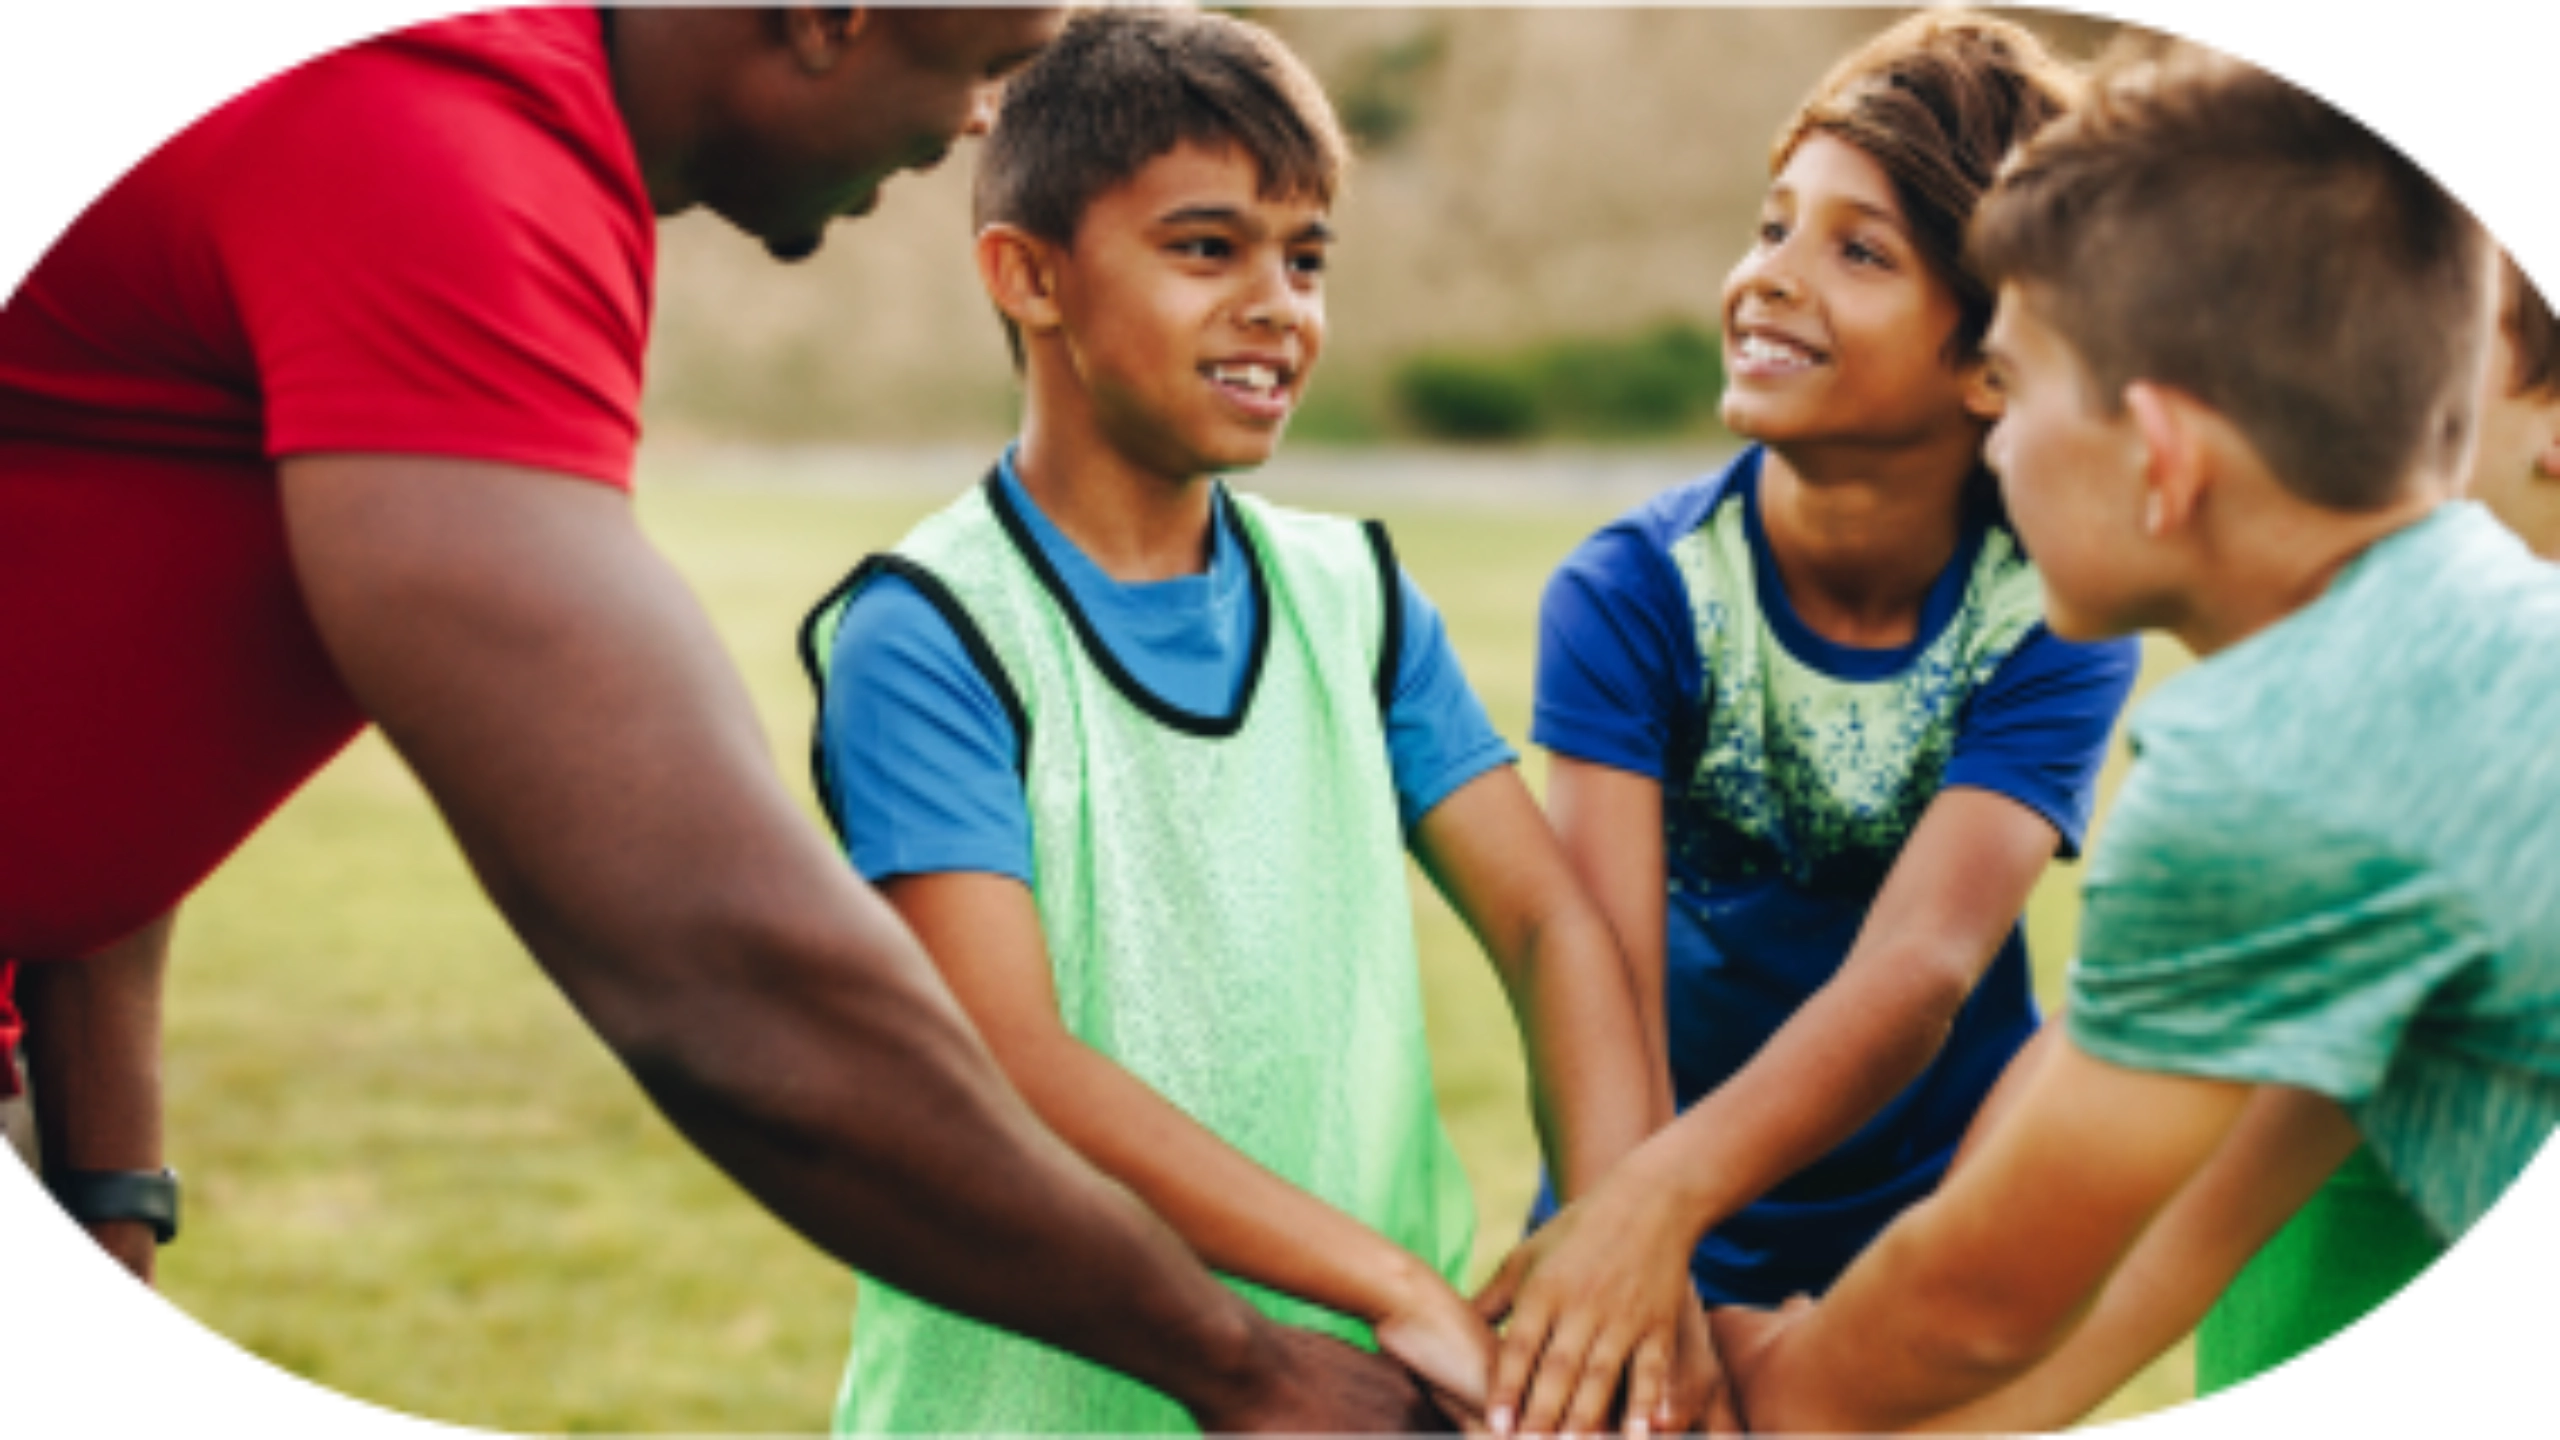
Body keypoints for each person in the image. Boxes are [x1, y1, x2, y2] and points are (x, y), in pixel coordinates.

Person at [0, 1, 1465, 1431]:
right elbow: (709, 951)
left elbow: (96, 624)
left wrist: (105, 1186)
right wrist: (1249, 1372)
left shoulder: (481, 140)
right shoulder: (432, 135)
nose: (974, 118)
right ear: (826, 17)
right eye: (982, 64)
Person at [800, 4, 1663, 1434]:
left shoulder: (1358, 599)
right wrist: (1390, 1278)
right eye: (1208, 249)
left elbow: (1548, 925)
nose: (1280, 304)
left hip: (1370, 1404)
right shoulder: (932, 630)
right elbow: (1014, 1064)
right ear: (1030, 278)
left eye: (1306, 256)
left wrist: (1616, 1237)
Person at [1707, 47, 2560, 1439]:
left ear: (2159, 457)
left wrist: (1757, 1392)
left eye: (2017, 387)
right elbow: (2175, 1243)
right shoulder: (2472, 656)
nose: (1996, 447)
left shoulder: (2277, 766)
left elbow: (1976, 1303)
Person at [1477, 9, 2137, 1436]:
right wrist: (1640, 1259)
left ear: (1993, 359)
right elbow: (1600, 980)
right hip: (1641, 1187)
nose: (1771, 279)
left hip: (1930, 1242)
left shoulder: (2056, 610)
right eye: (1773, 225)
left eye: (1859, 251)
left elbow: (1922, 971)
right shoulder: (1636, 593)